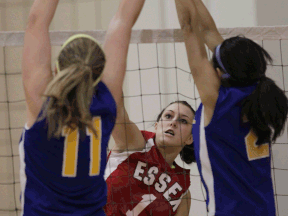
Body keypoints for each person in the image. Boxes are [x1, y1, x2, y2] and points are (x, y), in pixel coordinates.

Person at [19, 0, 146, 215]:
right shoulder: (107, 102)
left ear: (58, 68)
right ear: (99, 72)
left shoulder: (43, 102)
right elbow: (123, 21)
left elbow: (36, 20)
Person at [175, 0, 288, 215]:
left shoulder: (219, 102)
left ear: (218, 73)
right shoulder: (257, 92)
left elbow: (189, 26)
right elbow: (208, 31)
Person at [104, 100, 195, 216]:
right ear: (156, 126)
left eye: (183, 120)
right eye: (168, 116)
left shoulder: (183, 194)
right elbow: (115, 104)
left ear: (190, 138)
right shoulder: (134, 143)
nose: (173, 122)